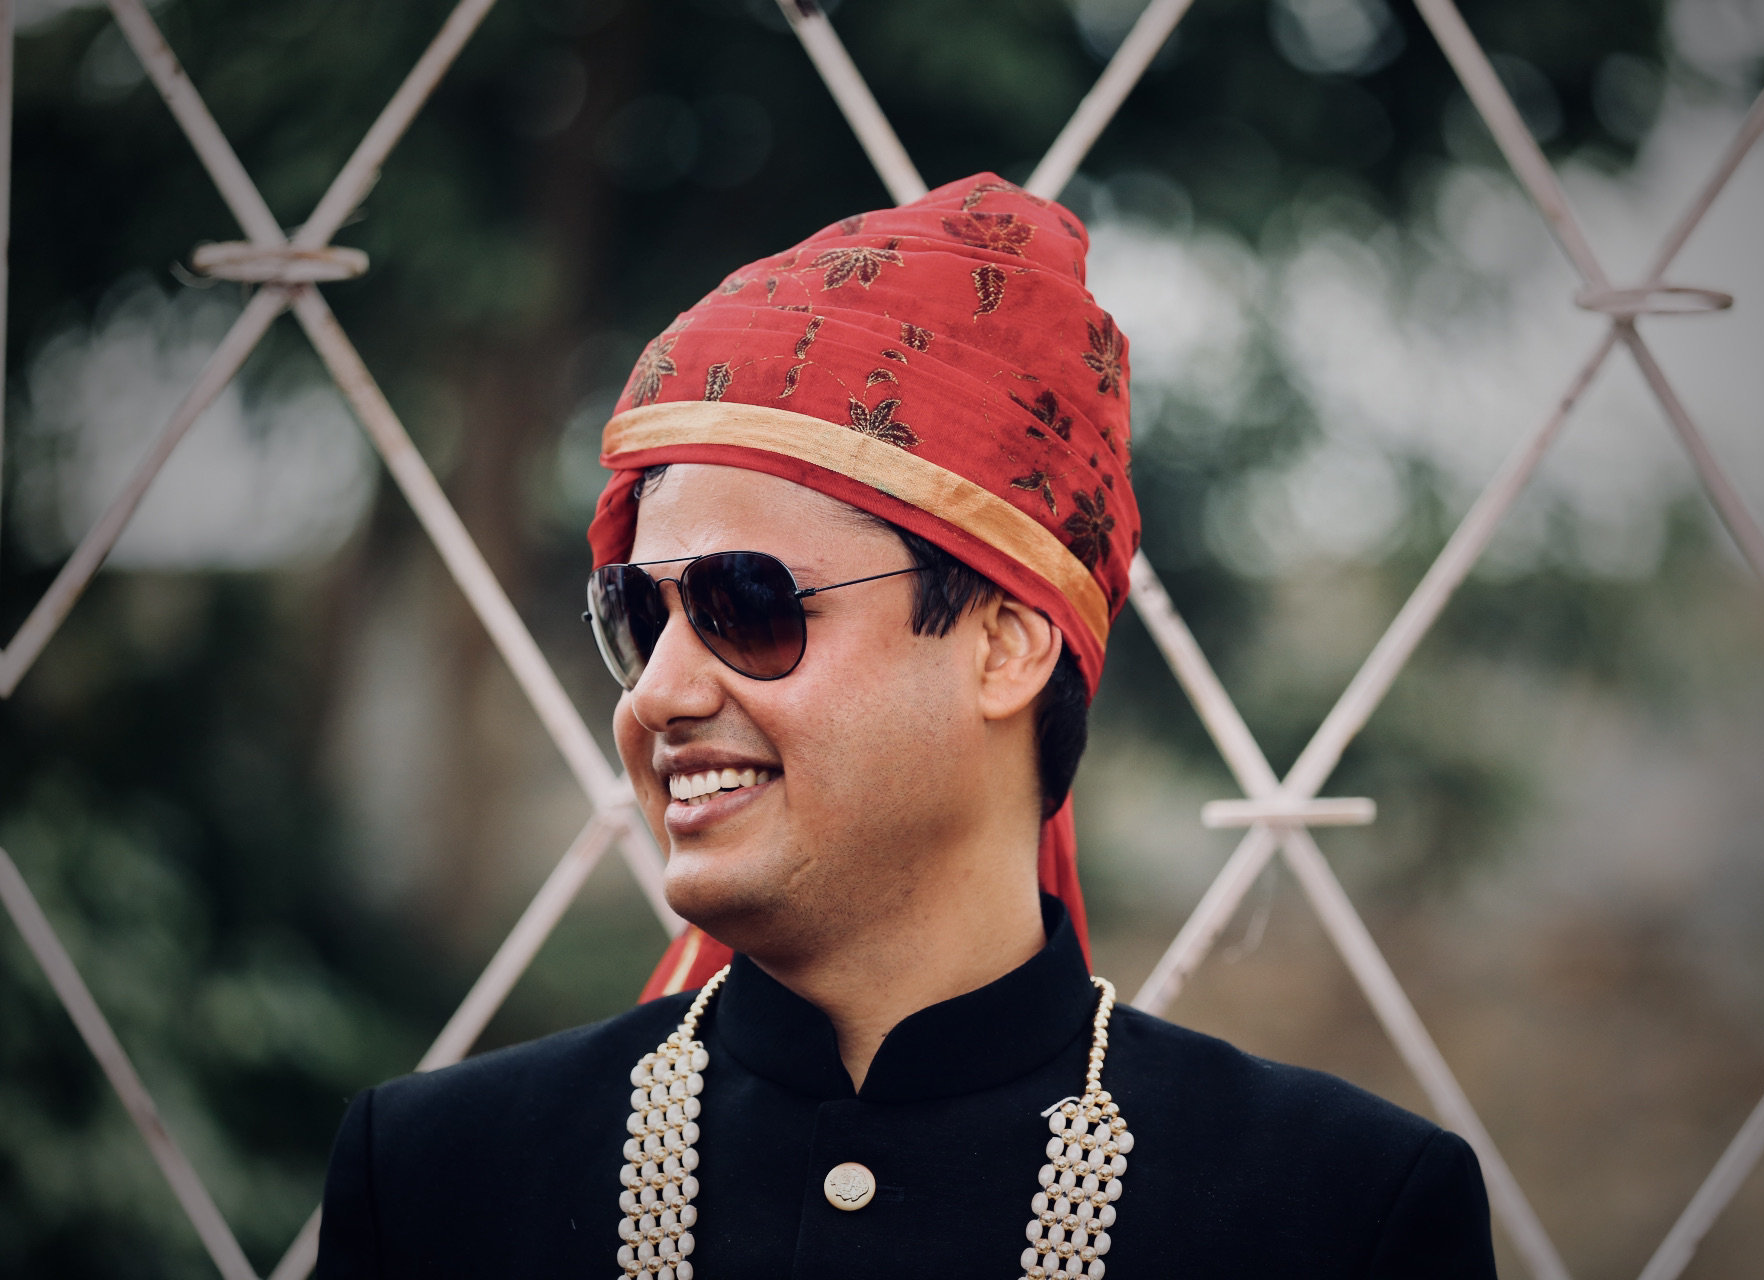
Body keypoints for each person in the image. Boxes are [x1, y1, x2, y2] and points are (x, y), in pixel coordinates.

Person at [315, 174, 1498, 1278]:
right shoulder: (439, 1182)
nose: (660, 694)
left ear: (1005, 642)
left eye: (746, 605)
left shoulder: (1337, 1216)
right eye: (637, 614)